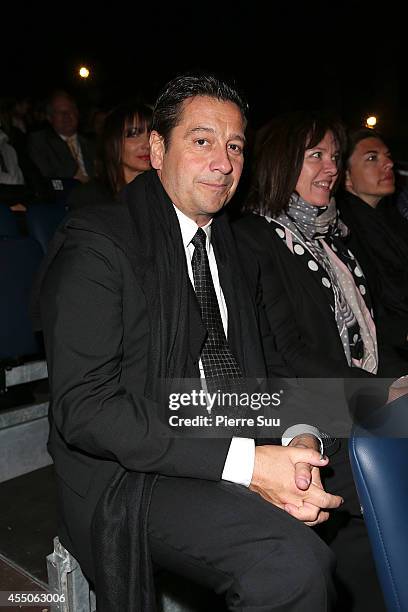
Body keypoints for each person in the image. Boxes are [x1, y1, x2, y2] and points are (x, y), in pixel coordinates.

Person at [37, 75, 342, 611]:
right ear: (157, 149)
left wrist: (299, 438)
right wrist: (247, 464)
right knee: (291, 566)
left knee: (376, 464)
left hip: (231, 425)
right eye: (202, 141)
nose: (223, 163)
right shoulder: (99, 246)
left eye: (234, 147)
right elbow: (86, 410)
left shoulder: (238, 250)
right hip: (132, 471)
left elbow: (271, 368)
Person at [234, 110, 388, 611]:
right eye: (315, 155)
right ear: (281, 163)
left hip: (346, 398)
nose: (330, 168)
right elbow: (291, 356)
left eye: (334, 157)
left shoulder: (334, 237)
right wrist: (384, 390)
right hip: (307, 408)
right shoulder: (256, 237)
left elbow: (372, 334)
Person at [337, 128, 408, 364]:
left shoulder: (392, 219)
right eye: (371, 158)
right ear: (346, 176)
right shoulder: (343, 232)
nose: (388, 163)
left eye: (387, 156)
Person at [67, 101, 152, 209]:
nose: (147, 144)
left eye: (152, 135)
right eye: (133, 134)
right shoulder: (88, 198)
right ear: (112, 142)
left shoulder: (166, 193)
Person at [27, 90, 95, 182]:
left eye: (70, 110)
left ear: (77, 112)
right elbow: (45, 179)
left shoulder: (91, 143)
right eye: (59, 112)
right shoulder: (39, 142)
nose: (66, 116)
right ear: (49, 118)